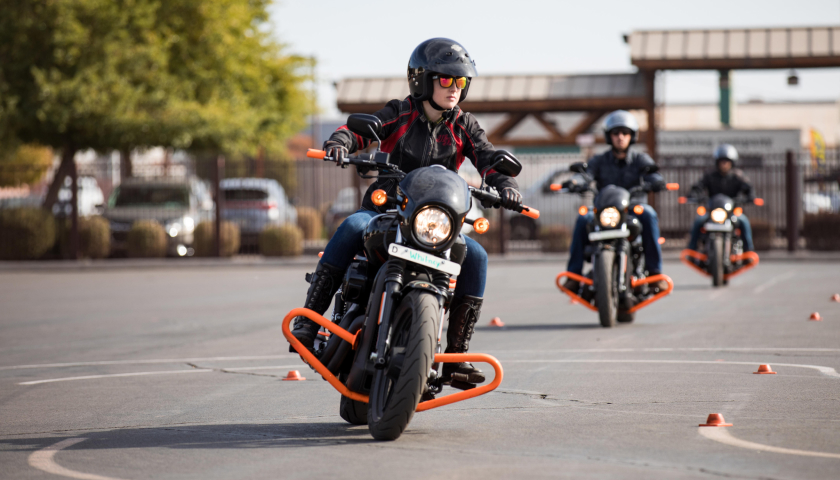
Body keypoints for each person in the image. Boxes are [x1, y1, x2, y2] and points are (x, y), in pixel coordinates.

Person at [290, 38, 522, 389]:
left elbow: (489, 159)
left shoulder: (464, 125)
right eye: (446, 79)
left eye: (461, 81)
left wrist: (506, 186)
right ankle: (309, 320)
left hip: (436, 223)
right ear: (422, 79)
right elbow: (355, 131)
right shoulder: (399, 112)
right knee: (353, 224)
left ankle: (457, 356)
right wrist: (340, 142)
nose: (455, 88)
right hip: (387, 211)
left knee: (476, 256)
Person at [563, 110, 669, 293]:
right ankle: (574, 276)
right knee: (582, 218)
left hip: (632, 208)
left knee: (649, 213)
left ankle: (654, 273)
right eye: (616, 133)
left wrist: (656, 181)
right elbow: (586, 175)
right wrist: (575, 182)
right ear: (608, 136)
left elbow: (652, 174)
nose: (620, 137)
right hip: (604, 210)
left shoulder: (640, 159)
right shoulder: (599, 160)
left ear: (632, 136)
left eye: (625, 133)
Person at [687, 144, 755, 252]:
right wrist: (693, 195)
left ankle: (748, 250)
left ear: (732, 163)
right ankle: (691, 249)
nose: (724, 164)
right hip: (712, 211)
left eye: (726, 161)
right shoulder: (710, 175)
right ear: (717, 162)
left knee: (744, 222)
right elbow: (698, 186)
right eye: (721, 161)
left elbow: (748, 187)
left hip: (731, 212)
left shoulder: (737, 176)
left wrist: (750, 196)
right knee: (698, 221)